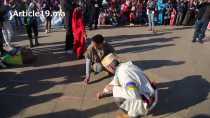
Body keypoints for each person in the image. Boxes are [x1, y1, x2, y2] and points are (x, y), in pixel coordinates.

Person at [97, 53, 158, 118]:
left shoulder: (123, 74)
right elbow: (115, 82)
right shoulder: (123, 67)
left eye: (107, 69)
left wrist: (114, 89)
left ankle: (134, 114)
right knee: (117, 88)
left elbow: (133, 94)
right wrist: (104, 92)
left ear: (110, 67)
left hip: (148, 101)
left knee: (117, 97)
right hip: (149, 93)